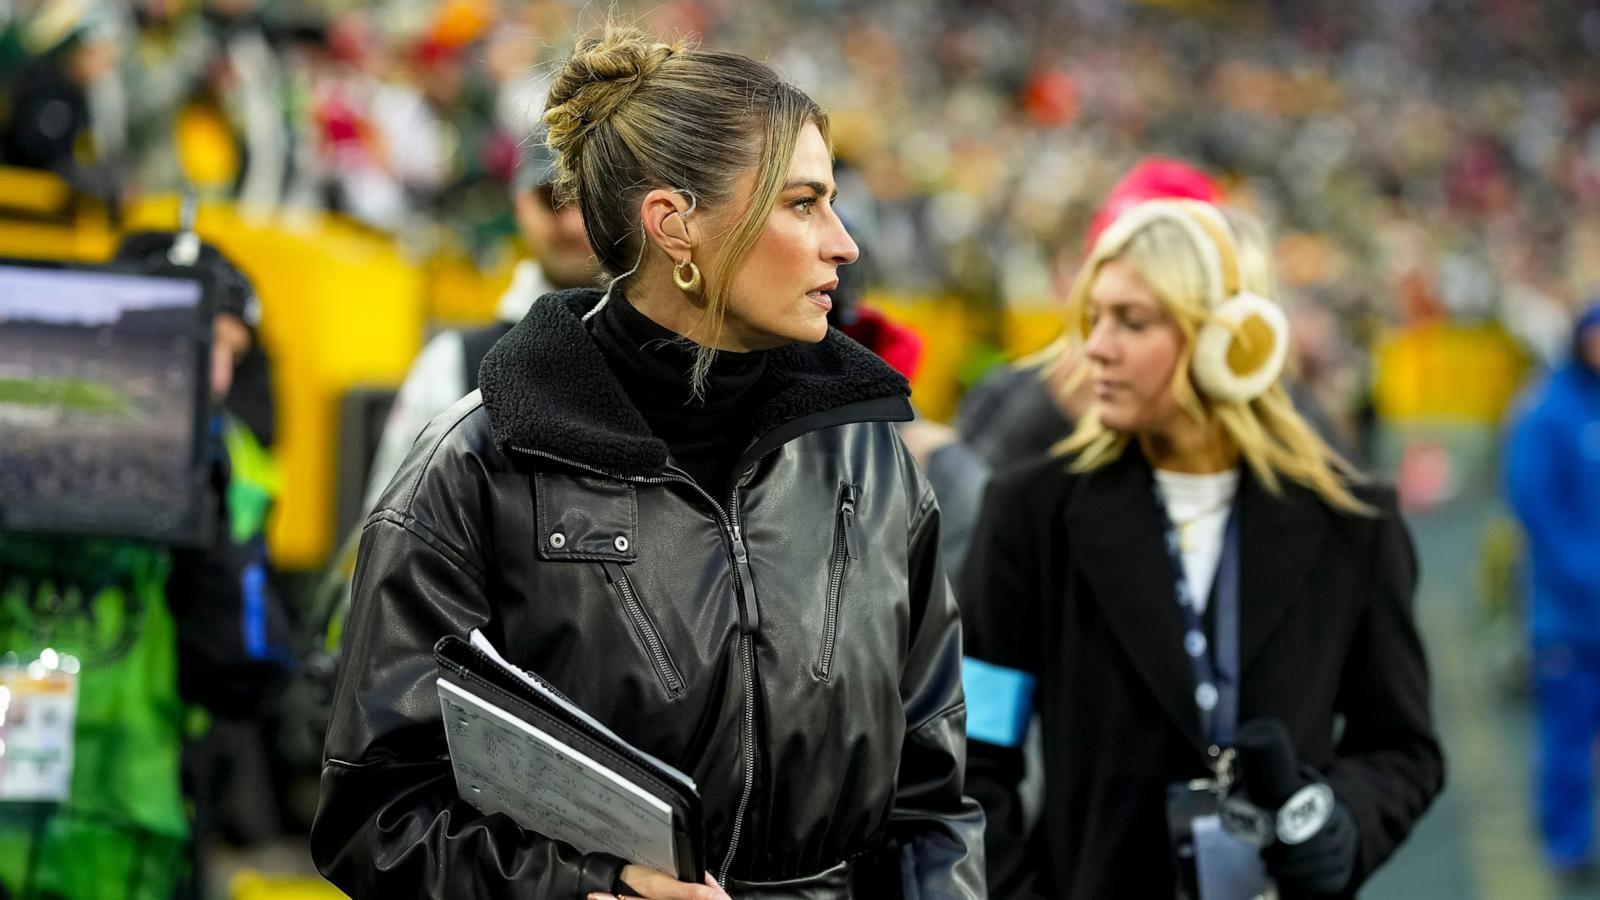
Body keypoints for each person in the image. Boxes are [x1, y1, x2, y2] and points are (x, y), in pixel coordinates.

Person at [311, 26, 983, 900]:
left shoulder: (872, 458)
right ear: (675, 226)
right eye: (804, 203)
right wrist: (593, 891)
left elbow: (934, 801)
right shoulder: (475, 467)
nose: (844, 244)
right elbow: (378, 814)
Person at [959, 198, 1443, 898]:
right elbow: (979, 743)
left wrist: (1342, 824)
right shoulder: (1031, 511)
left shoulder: (1352, 524)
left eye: (1133, 321)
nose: (1095, 346)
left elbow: (1402, 749)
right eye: (1094, 319)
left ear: (1228, 340)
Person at [0, 232, 290, 900]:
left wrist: (205, 512)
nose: (216, 379)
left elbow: (249, 670)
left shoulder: (235, 465)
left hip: (133, 839)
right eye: (202, 344)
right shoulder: (26, 419)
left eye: (231, 356)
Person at [360, 140, 600, 513]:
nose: (571, 223)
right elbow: (391, 529)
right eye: (552, 200)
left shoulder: (669, 352)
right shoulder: (452, 365)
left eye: (587, 201)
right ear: (520, 204)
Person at [1505, 301, 1600, 882]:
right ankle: (1566, 844)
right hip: (1569, 618)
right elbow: (1537, 510)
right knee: (1566, 738)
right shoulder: (1549, 411)